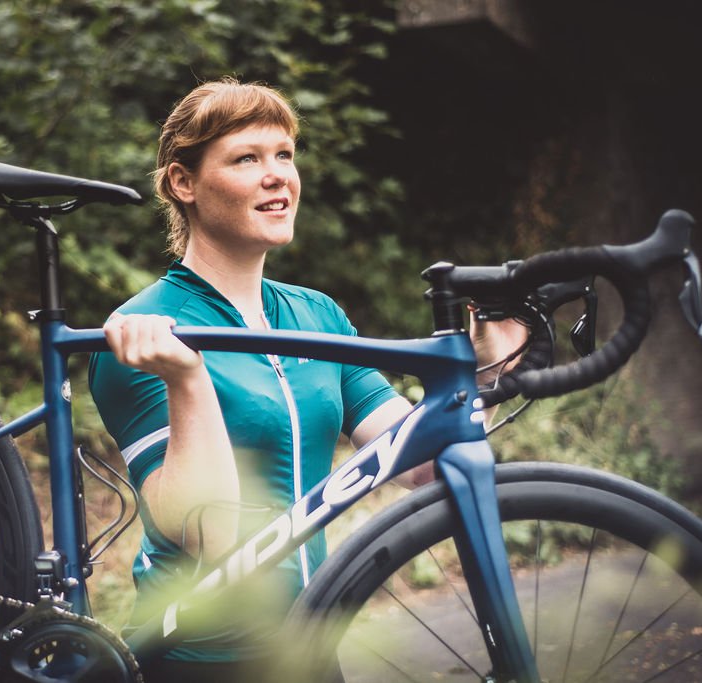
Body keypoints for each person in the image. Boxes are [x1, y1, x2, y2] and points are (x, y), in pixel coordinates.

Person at [88, 77, 525, 682]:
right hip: (196, 659)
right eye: (247, 159)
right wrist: (187, 379)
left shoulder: (316, 317)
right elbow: (210, 538)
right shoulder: (143, 332)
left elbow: (421, 465)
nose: (277, 176)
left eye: (284, 155)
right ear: (183, 183)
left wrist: (483, 368)